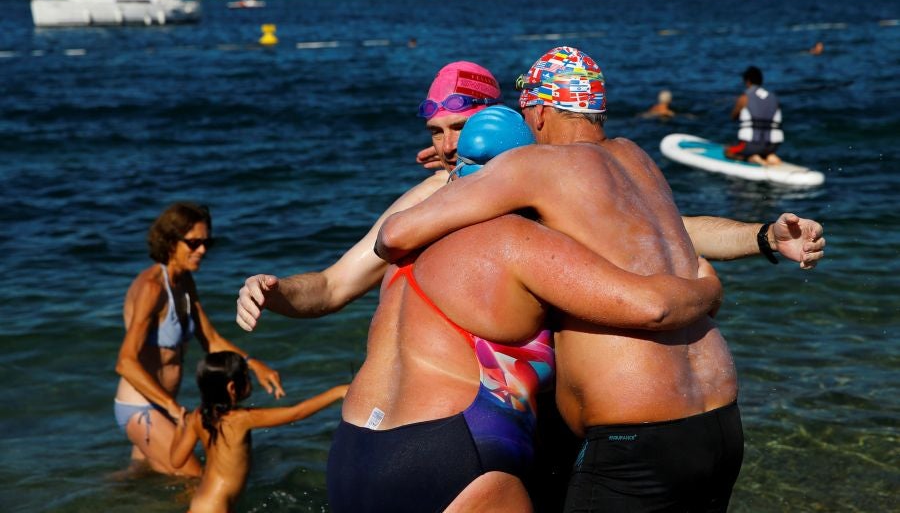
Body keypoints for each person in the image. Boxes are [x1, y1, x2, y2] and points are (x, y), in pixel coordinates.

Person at [373, 46, 780, 512]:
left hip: (638, 436)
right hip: (720, 425)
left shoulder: (537, 166)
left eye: (525, 114)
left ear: (541, 112)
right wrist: (724, 273)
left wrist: (463, 178)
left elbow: (394, 235)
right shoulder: (635, 159)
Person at [326, 106, 724, 512]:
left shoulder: (407, 249)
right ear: (521, 167)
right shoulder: (516, 242)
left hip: (354, 450)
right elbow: (652, 307)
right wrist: (706, 287)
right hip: (454, 452)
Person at [235, 60, 824, 335]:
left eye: (459, 130)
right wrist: (276, 290)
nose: (446, 146)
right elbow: (336, 285)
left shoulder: (537, 183)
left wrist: (760, 238)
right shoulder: (422, 202)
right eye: (436, 134)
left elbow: (669, 230)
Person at [114, 202, 285, 476]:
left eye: (207, 242)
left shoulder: (183, 283)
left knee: (138, 481)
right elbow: (125, 363)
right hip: (142, 407)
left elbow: (211, 340)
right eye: (193, 243)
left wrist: (254, 364)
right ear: (170, 242)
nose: (202, 250)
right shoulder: (151, 287)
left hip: (162, 405)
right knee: (199, 483)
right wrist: (171, 407)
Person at [171, 351, 348, 513]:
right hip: (217, 507)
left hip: (202, 503)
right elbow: (296, 412)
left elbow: (176, 461)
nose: (250, 381)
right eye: (247, 377)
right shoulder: (240, 419)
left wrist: (180, 429)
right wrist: (337, 392)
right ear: (232, 388)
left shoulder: (198, 416)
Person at [724, 65, 783, 165]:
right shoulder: (774, 98)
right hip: (773, 145)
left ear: (747, 81)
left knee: (728, 151)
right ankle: (768, 155)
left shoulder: (744, 97)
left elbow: (733, 117)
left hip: (751, 144)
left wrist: (738, 104)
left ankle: (751, 157)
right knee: (764, 144)